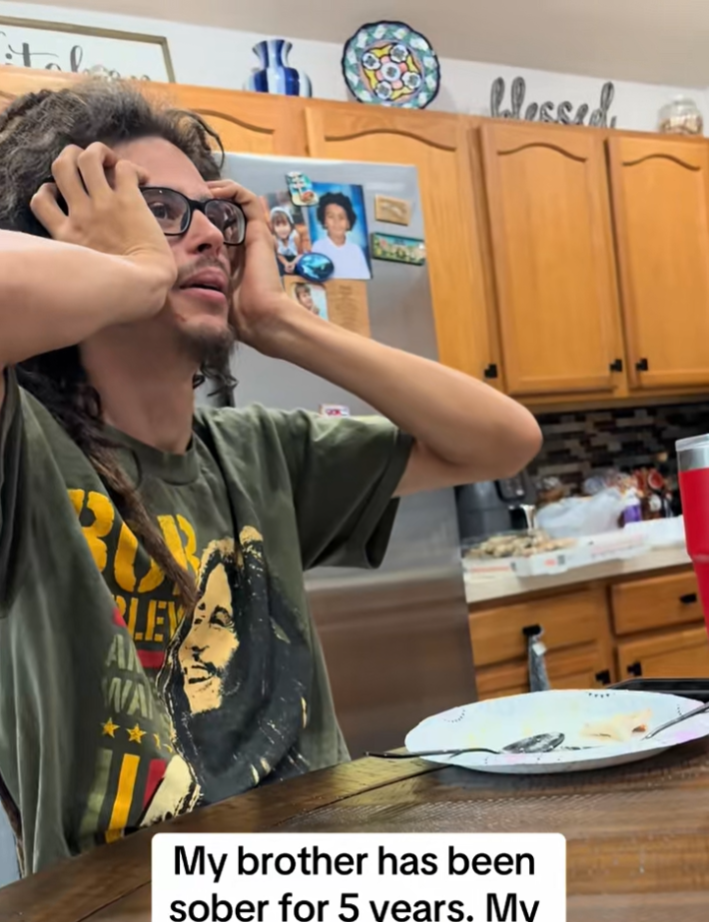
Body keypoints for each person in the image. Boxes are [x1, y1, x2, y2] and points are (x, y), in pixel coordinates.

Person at [0, 81, 542, 874]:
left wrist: (282, 322)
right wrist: (132, 275)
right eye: (155, 209)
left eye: (217, 216)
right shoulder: (24, 449)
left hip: (325, 888)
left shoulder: (260, 453)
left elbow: (501, 441)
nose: (211, 240)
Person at [311, 192, 371, 280]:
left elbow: (364, 280)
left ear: (348, 223)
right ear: (324, 221)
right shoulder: (317, 247)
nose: (336, 222)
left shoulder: (356, 250)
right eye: (331, 216)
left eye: (341, 217)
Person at [270, 204, 300, 275]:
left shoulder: (295, 236)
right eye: (278, 225)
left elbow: (300, 253)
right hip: (283, 259)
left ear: (290, 224)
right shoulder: (275, 239)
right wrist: (286, 263)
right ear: (273, 227)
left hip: (296, 258)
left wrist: (292, 263)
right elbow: (279, 254)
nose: (282, 229)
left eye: (285, 224)